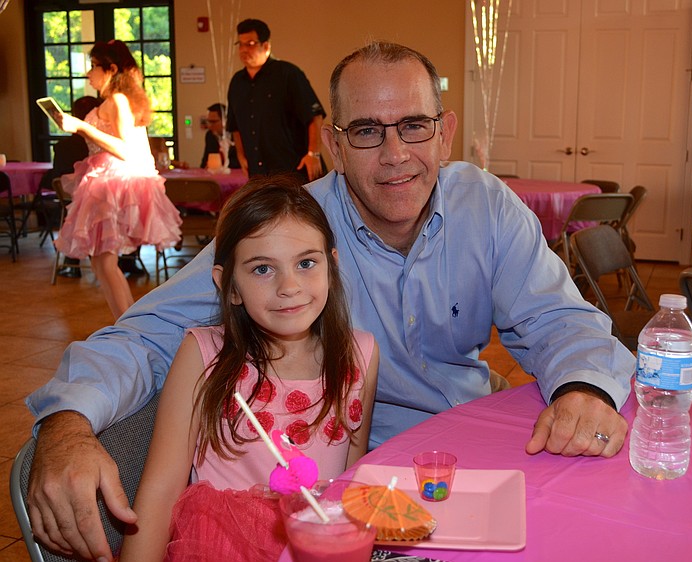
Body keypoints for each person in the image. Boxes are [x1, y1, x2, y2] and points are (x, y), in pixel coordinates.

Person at [25, 42, 635, 562]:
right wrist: (66, 423)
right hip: (363, 482)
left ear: (444, 134)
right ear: (334, 147)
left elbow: (559, 317)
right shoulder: (291, 239)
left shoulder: (487, 207)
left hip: (470, 456)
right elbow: (147, 332)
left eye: (414, 126)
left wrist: (585, 386)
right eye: (367, 131)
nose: (395, 154)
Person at [119, 176, 378, 561]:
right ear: (230, 286)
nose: (289, 286)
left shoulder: (361, 356)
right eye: (262, 269)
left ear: (331, 266)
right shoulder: (204, 355)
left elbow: (349, 486)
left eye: (306, 263)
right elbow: (159, 494)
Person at [53, 40, 182, 320]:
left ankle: (129, 327)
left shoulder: (118, 101)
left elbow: (126, 149)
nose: (89, 74)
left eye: (93, 67)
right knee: (102, 263)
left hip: (112, 183)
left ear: (110, 69)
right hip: (103, 180)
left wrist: (82, 127)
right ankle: (126, 324)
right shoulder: (114, 101)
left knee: (105, 262)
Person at [227, 19, 325, 181]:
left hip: (292, 168)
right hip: (258, 174)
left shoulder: (288, 74)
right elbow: (234, 125)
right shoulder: (237, 82)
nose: (244, 49)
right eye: (241, 44)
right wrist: (241, 155)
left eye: (250, 44)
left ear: (266, 46)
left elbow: (314, 115)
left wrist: (313, 153)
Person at [38, 96, 101, 278]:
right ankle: (129, 259)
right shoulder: (96, 144)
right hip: (96, 200)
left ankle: (72, 261)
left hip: (71, 201)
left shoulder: (63, 146)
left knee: (76, 208)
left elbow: (58, 175)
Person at [200, 102, 240, 170]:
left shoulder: (237, 135)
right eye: (208, 122)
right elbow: (205, 161)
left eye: (213, 122)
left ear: (225, 121)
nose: (209, 126)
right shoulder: (210, 136)